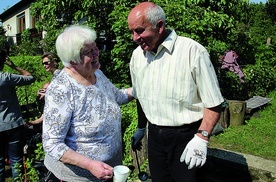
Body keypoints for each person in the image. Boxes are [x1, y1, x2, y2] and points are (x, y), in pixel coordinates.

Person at [128, 2, 224, 182]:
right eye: (132, 32)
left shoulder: (192, 51)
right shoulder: (137, 57)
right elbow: (140, 96)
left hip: (187, 137)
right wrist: (142, 127)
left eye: (140, 31)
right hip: (155, 137)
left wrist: (202, 137)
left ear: (160, 26)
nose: (134, 37)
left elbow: (214, 103)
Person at [42, 24, 133, 182]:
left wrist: (143, 88)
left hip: (108, 170)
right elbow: (52, 143)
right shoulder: (61, 89)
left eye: (95, 47)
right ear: (72, 60)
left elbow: (119, 96)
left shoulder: (96, 73)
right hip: (77, 177)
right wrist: (90, 164)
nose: (96, 53)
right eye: (88, 52)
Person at [0, 49, 35, 181]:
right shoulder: (6, 78)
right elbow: (30, 77)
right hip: (13, 124)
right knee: (16, 160)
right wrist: (14, 66)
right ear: (3, 62)